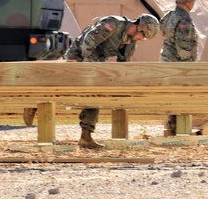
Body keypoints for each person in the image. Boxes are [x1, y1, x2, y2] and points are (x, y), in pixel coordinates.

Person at [63, 13, 159, 149]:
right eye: (142, 36)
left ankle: (86, 136)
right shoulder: (113, 24)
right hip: (78, 55)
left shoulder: (130, 43)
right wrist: (92, 70)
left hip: (96, 62)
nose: (141, 39)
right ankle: (33, 105)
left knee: (95, 95)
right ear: (138, 28)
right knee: (61, 88)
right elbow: (88, 42)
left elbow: (123, 66)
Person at [160, 0, 200, 134]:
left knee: (172, 96)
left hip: (167, 61)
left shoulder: (170, 15)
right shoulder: (184, 19)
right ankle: (180, 130)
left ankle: (172, 128)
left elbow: (162, 30)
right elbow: (183, 45)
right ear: (190, 2)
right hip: (178, 65)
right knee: (181, 96)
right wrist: (188, 65)